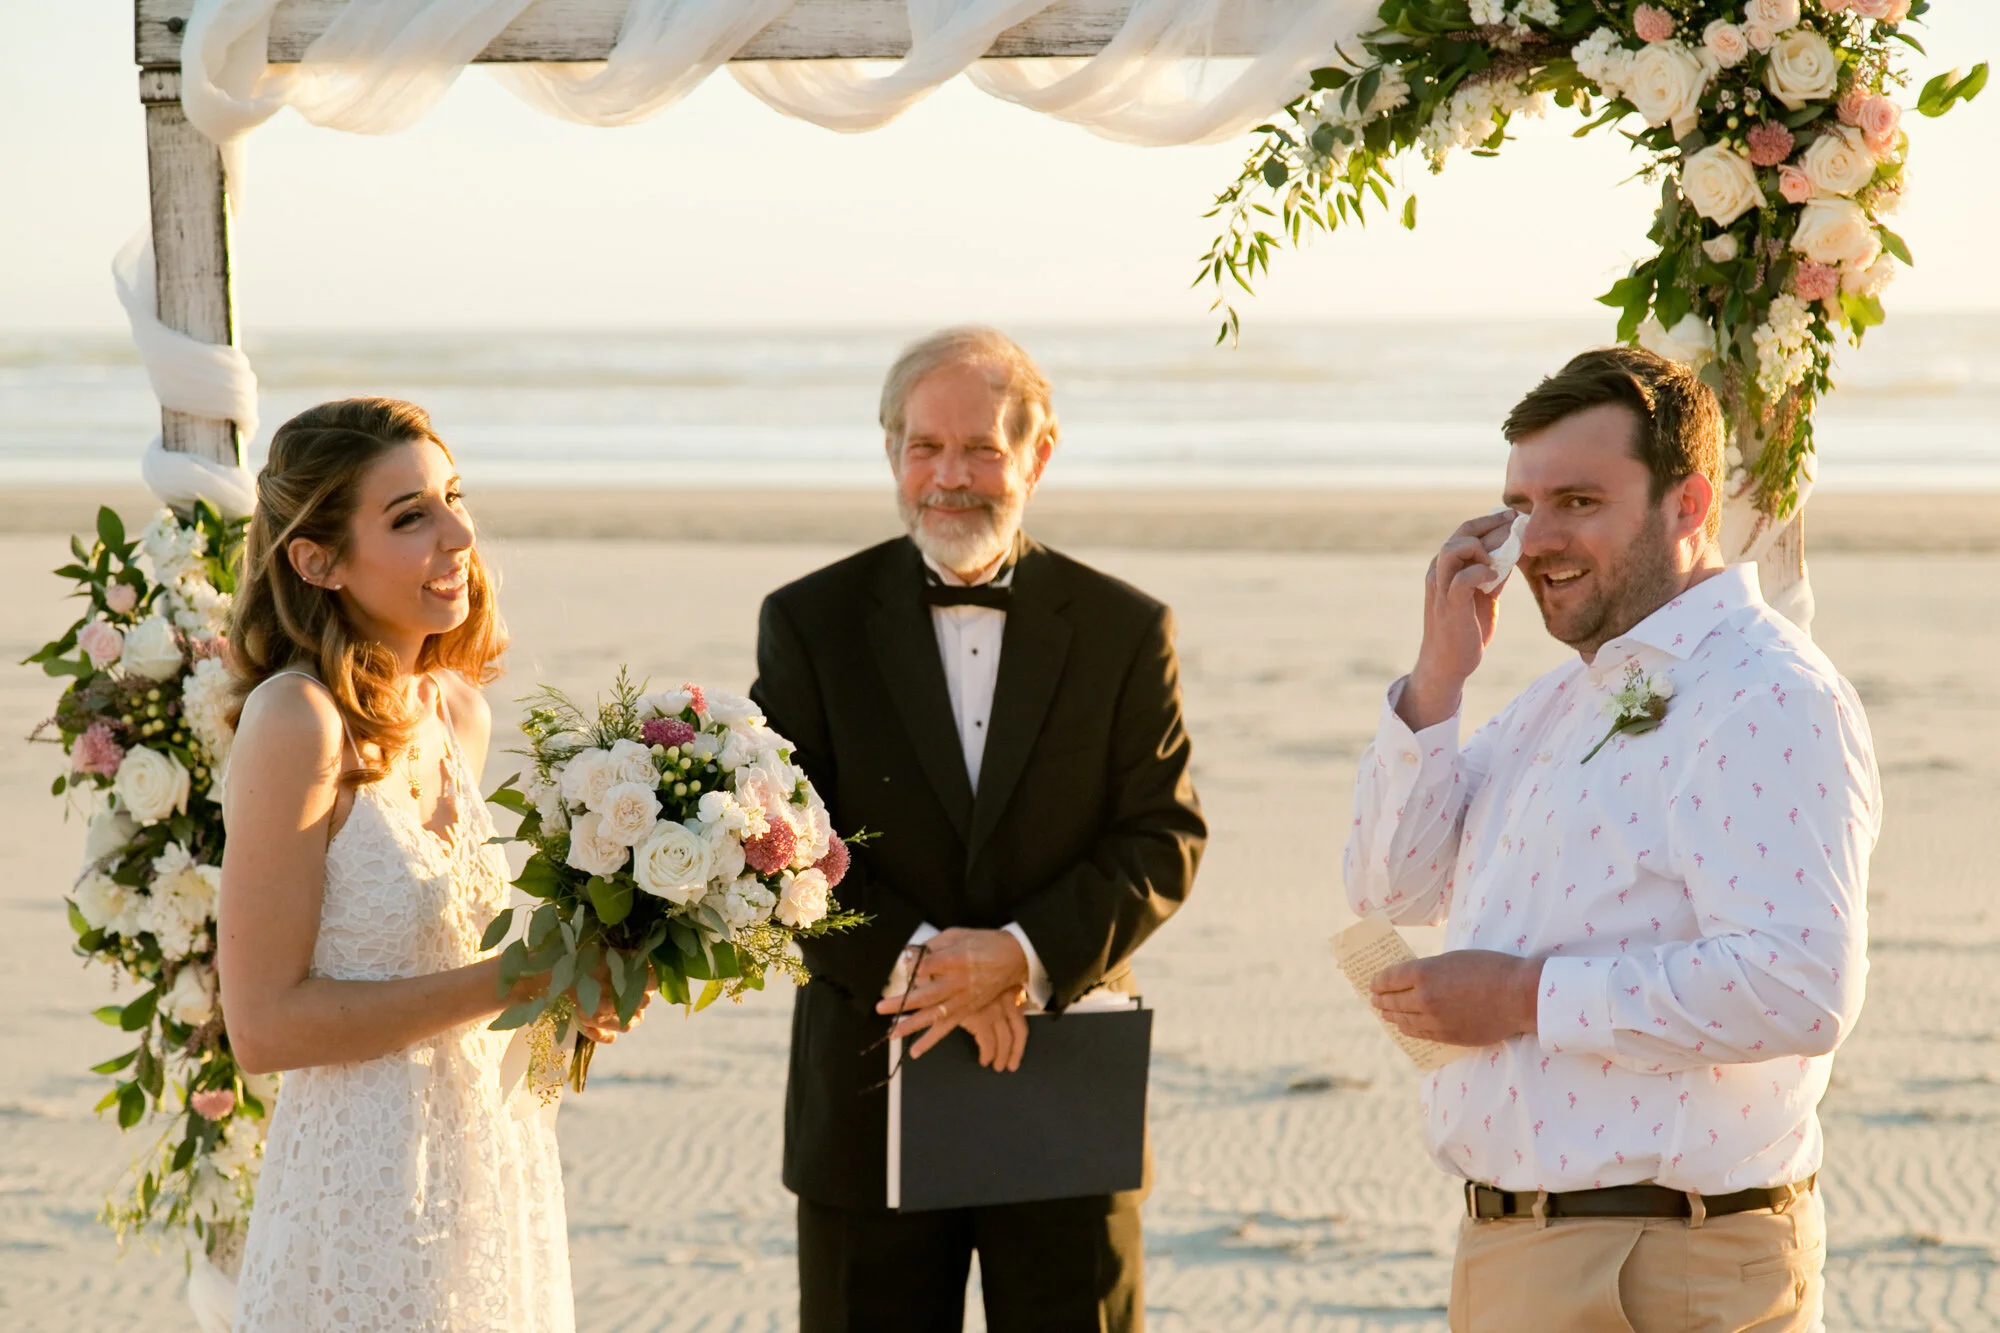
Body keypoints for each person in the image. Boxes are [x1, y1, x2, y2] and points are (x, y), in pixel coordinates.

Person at [1344, 347, 1879, 1332]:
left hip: (1659, 1266)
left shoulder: (1764, 694)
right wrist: (1437, 680)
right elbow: (1391, 888)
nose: (1536, 540)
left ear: (1687, 505)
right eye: (1521, 505)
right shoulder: (1561, 700)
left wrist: (1520, 996)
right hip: (1519, 1251)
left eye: (1578, 502)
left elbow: (1798, 985)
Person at [750, 327, 1207, 1332]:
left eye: (981, 449)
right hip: (867, 1087)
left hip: (1062, 1076)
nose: (950, 477)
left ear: (1037, 456)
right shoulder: (808, 623)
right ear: (891, 452)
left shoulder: (1126, 629)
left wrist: (1018, 957)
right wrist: (928, 968)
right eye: (925, 447)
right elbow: (775, 842)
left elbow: (1161, 834)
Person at [218, 398, 640, 1332]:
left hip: (489, 1172)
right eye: (410, 516)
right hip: (358, 1190)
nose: (459, 535)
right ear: (316, 560)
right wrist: (509, 979)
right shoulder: (298, 721)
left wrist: (567, 999)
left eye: (454, 498)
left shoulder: (456, 713)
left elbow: (447, 968)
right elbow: (263, 1026)